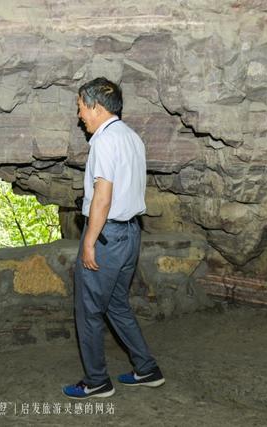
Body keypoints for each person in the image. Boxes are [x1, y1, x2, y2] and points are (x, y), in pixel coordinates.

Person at [63, 77, 165, 399]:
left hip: (107, 236)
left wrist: (89, 241)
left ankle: (96, 381)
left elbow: (103, 197)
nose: (80, 116)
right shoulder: (132, 138)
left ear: (95, 105)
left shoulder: (105, 142)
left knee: (89, 309)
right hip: (131, 234)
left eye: (80, 108)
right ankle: (146, 368)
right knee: (117, 304)